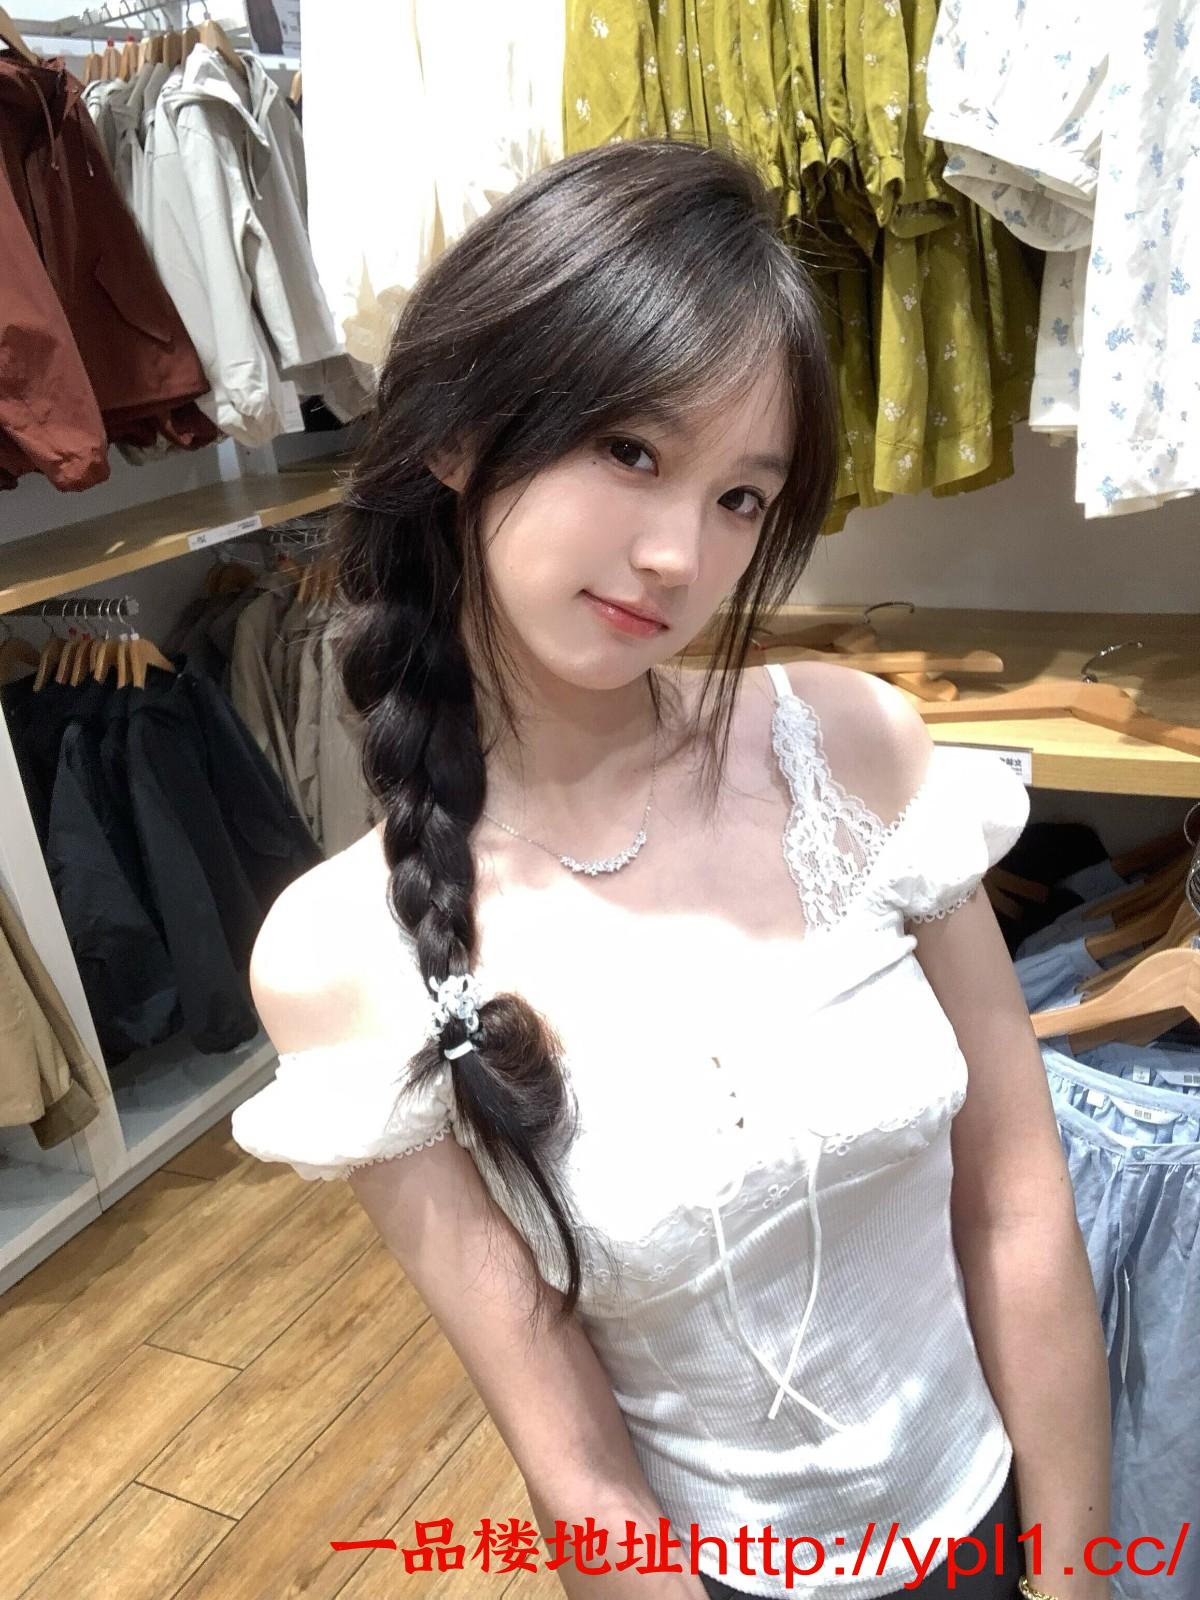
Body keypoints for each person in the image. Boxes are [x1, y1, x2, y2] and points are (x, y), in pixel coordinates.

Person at [231, 140, 1113, 1600]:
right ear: (457, 431)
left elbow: (1016, 1198)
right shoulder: (344, 961)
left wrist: (1074, 1576)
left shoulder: (856, 751)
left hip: (1001, 1511)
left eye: (741, 499)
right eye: (632, 452)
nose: (676, 557)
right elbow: (574, 1460)